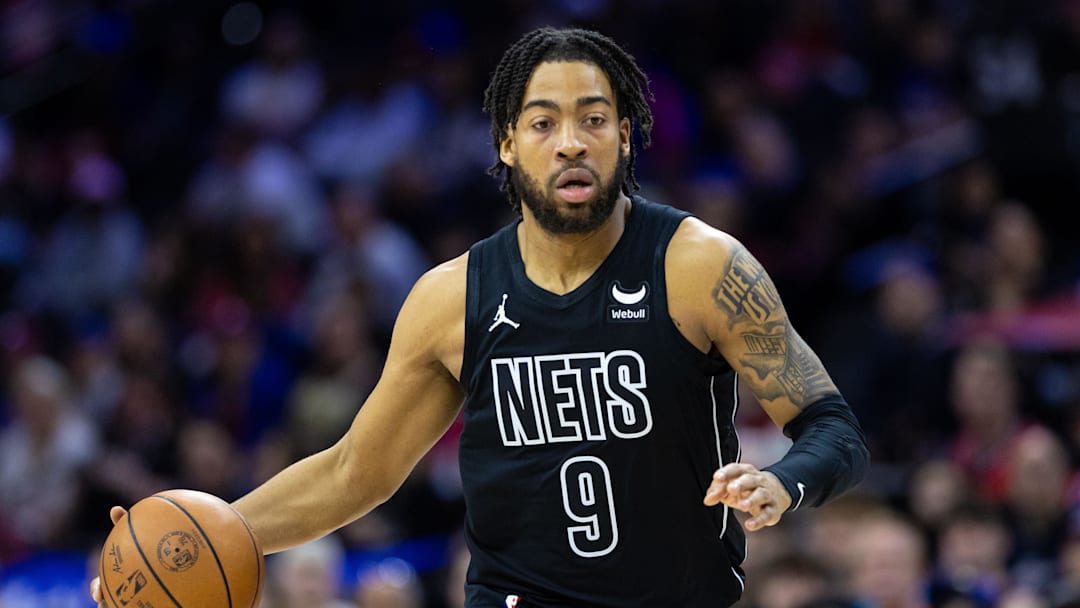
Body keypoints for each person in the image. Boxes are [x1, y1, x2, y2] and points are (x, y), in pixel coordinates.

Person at [92, 26, 869, 607]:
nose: (571, 142)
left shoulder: (699, 265)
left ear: (626, 137)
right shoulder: (449, 298)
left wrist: (784, 483)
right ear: (505, 143)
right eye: (542, 122)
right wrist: (189, 549)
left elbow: (832, 427)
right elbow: (354, 472)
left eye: (595, 119)